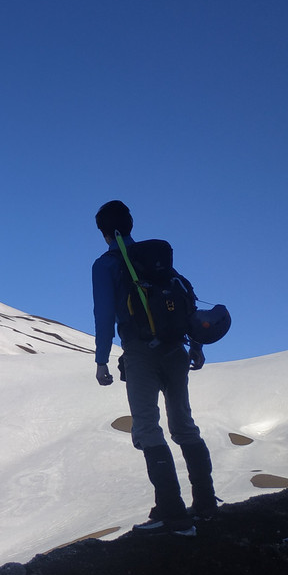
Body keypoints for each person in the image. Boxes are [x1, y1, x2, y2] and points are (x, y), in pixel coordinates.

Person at [91, 200, 218, 535]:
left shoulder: (107, 265)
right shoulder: (158, 260)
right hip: (176, 350)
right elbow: (184, 303)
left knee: (147, 428)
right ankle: (206, 505)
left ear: (103, 231)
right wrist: (197, 346)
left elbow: (104, 315)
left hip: (140, 354)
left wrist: (101, 359)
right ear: (130, 225)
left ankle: (172, 513)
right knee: (184, 426)